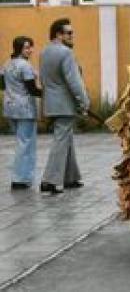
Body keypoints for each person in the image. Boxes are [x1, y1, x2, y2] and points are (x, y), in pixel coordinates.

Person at [40, 18, 90, 195]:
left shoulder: (44, 51)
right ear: (58, 34)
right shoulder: (66, 53)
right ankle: (50, 180)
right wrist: (84, 101)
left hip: (51, 102)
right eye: (69, 33)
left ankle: (71, 177)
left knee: (66, 138)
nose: (72, 36)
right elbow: (74, 81)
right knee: (61, 140)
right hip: (64, 103)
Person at [2, 37, 42, 190]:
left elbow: (1, 85)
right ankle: (21, 178)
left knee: (20, 142)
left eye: (31, 47)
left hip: (10, 107)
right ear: (19, 48)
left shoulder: (7, 64)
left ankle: (20, 177)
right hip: (25, 108)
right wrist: (50, 93)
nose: (30, 50)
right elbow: (32, 90)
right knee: (26, 144)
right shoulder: (25, 66)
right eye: (27, 48)